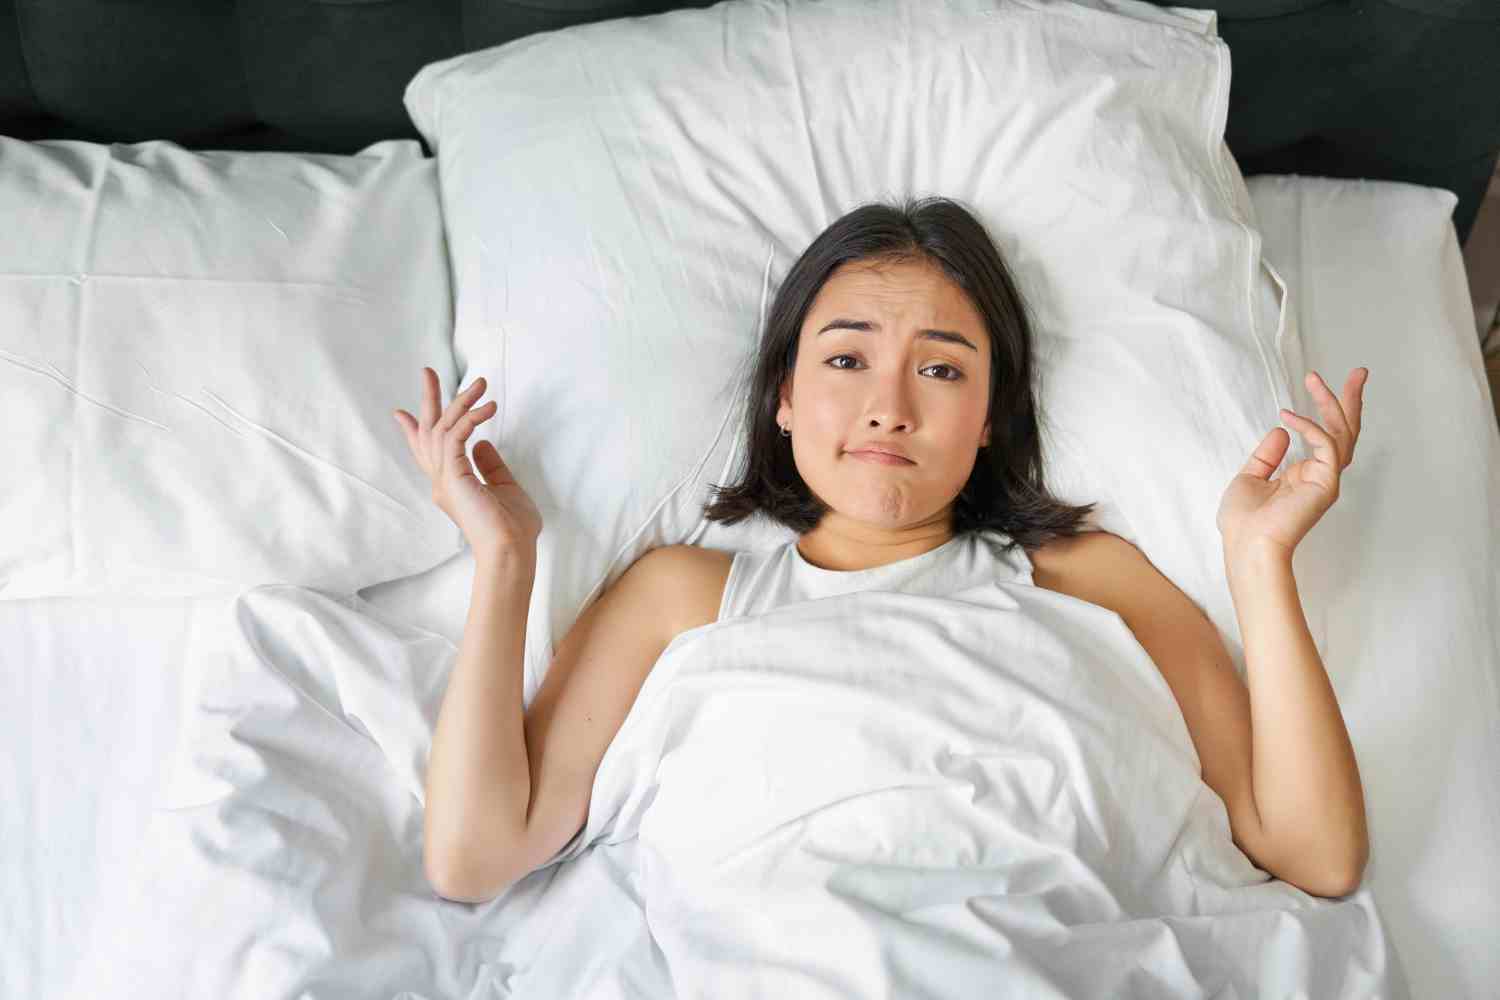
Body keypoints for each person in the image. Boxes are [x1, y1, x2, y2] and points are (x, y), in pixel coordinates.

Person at [395, 195, 1371, 906]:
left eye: (942, 368)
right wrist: (506, 561)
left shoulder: (1092, 576)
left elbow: (1314, 852)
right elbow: (476, 857)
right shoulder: (677, 594)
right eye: (847, 358)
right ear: (783, 396)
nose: (889, 406)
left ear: (993, 416)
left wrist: (1258, 560)